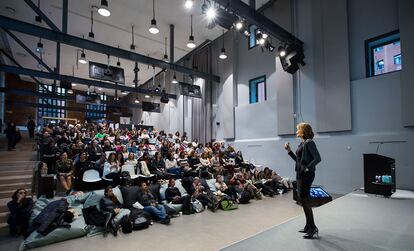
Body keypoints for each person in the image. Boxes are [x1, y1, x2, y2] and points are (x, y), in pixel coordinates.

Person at [284, 122, 321, 239]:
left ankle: (313, 227)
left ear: (303, 131)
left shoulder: (310, 143)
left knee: (305, 201)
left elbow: (318, 158)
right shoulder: (302, 143)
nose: (296, 131)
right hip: (300, 174)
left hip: (306, 175)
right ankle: (307, 226)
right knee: (303, 200)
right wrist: (289, 151)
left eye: (297, 129)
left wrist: (307, 167)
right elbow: (299, 161)